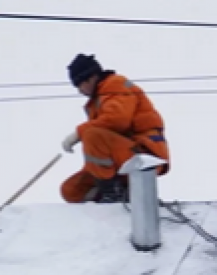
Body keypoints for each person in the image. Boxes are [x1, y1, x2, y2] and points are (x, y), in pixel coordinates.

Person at [59, 54, 170, 205]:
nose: (79, 91)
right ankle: (123, 192)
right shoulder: (97, 100)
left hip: (143, 156)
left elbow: (117, 120)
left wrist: (78, 133)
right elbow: (100, 150)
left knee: (92, 134)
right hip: (122, 159)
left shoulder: (115, 84)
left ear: (90, 78)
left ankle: (112, 195)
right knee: (71, 190)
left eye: (79, 85)